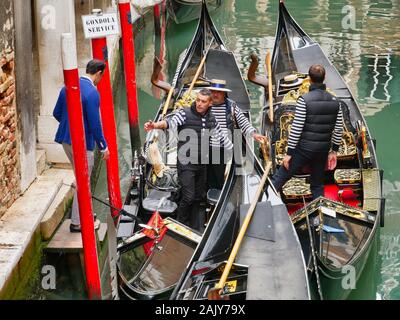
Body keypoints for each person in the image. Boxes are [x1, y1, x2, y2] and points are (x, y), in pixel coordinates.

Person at [144, 89, 232, 230]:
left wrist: (236, 151)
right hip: (186, 163)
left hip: (202, 164)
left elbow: (222, 137)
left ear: (210, 103)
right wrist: (154, 125)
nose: (199, 103)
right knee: (189, 197)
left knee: (199, 197)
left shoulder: (211, 118)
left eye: (203, 101)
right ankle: (179, 224)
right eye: (198, 100)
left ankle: (195, 226)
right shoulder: (184, 113)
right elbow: (169, 123)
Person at [53, 59, 110, 233]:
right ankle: (77, 222)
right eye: (102, 76)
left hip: (65, 141)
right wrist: (103, 146)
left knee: (80, 178)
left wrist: (70, 127)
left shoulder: (67, 87)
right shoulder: (92, 93)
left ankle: (85, 213)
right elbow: (95, 124)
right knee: (83, 181)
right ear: (99, 73)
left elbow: (57, 113)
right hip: (82, 145)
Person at [271, 64, 344, 200]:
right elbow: (338, 128)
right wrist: (333, 151)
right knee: (317, 185)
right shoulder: (336, 101)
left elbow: (296, 129)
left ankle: (265, 202)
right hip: (322, 150)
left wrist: (289, 154)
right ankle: (321, 212)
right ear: (324, 78)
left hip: (303, 149)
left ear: (309, 79)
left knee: (279, 178)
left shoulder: (304, 100)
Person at [206, 79, 266, 190]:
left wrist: (253, 134)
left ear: (224, 93)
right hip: (206, 146)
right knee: (206, 174)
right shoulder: (206, 105)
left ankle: (217, 193)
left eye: (218, 92)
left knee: (219, 176)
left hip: (224, 147)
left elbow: (243, 122)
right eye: (213, 91)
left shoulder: (232, 107)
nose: (215, 94)